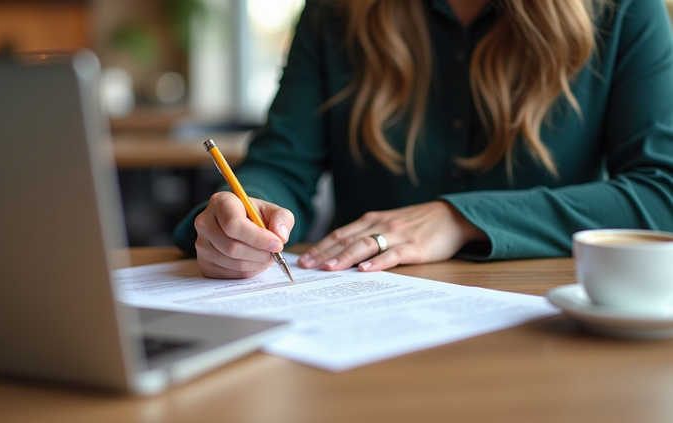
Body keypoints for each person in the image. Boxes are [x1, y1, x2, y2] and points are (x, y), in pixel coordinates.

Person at [174, 0, 673, 279]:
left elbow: (661, 190)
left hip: (547, 322)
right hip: (362, 322)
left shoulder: (624, 10)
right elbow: (281, 166)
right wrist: (241, 213)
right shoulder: (335, 12)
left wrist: (460, 219)